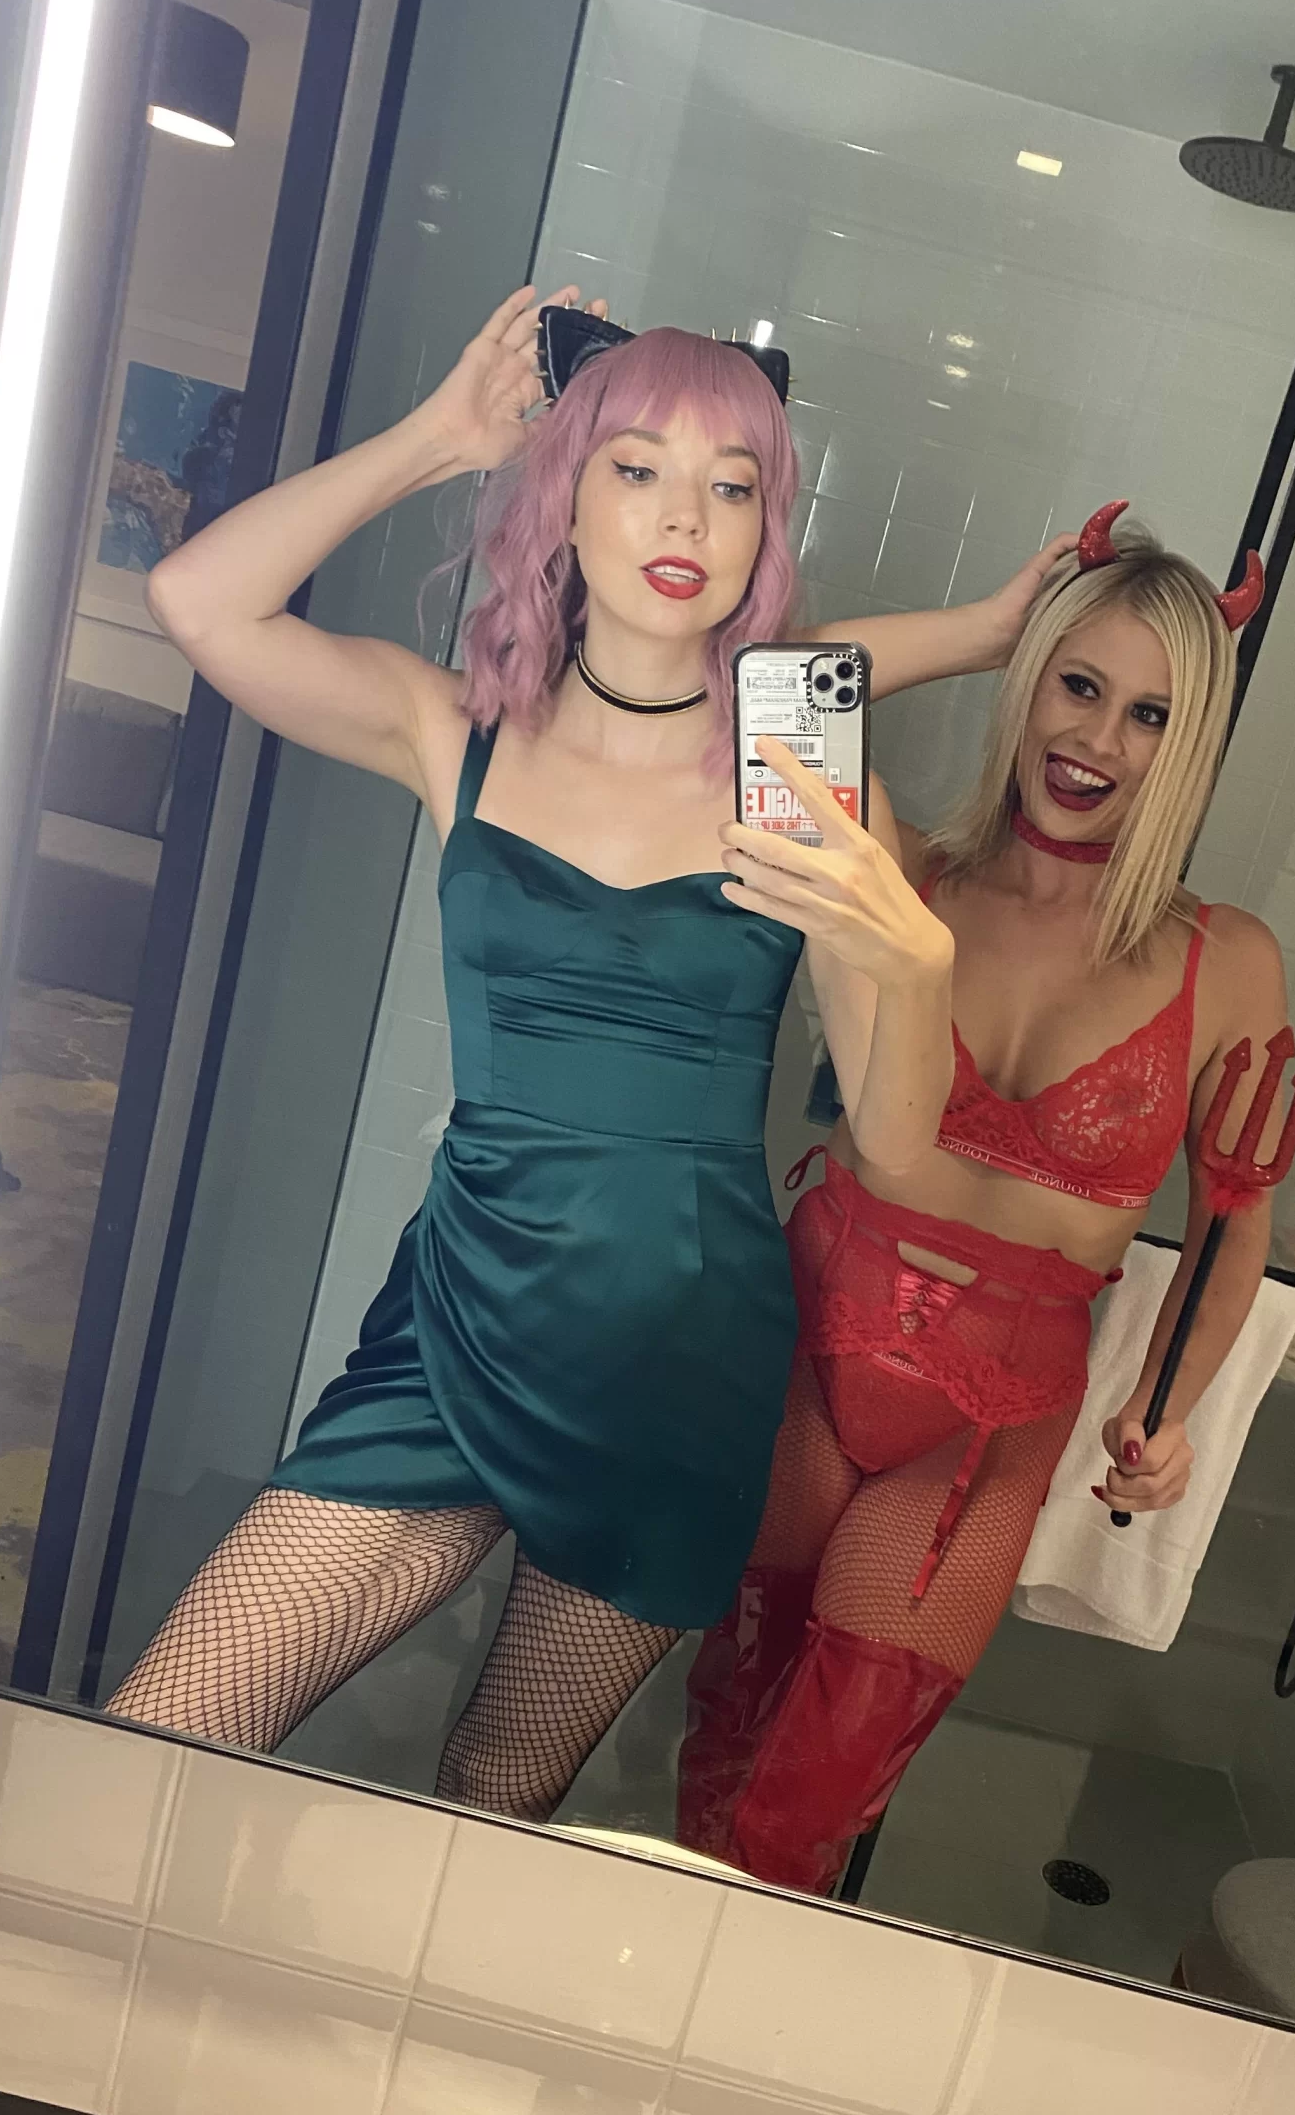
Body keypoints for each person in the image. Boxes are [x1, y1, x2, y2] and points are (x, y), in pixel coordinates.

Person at [104, 285, 1076, 1820]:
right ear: (564, 493)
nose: (684, 515)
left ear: (764, 532)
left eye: (732, 486)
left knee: (498, 1795)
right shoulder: (457, 733)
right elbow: (200, 603)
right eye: (636, 468)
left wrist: (918, 963)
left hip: (679, 1361)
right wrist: (440, 437)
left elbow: (896, 1146)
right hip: (457, 1322)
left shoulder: (797, 771)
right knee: (160, 1730)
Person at [676, 502, 1295, 1893]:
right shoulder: (900, 871)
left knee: (802, 1810)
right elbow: (776, 686)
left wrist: (1168, 1415)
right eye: (1077, 684)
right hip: (805, 1349)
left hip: (986, 1427)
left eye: (1150, 715)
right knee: (720, 1737)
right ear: (1029, 683)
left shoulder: (1227, 961)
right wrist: (983, 628)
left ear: (1189, 747)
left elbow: (1231, 1226)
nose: (1098, 741)